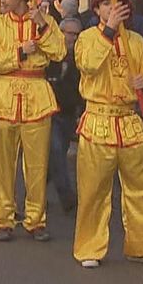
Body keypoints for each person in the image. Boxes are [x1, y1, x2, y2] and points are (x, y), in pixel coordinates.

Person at [72, 0, 143, 268]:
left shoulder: (137, 41)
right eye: (106, 4)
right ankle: (90, 248)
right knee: (94, 190)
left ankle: (141, 245)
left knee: (141, 188)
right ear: (97, 9)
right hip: (98, 119)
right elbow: (88, 65)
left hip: (130, 120)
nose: (113, 8)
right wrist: (108, 31)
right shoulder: (86, 38)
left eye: (117, 3)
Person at [0, 0, 66, 242]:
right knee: (2, 164)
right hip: (5, 96)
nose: (2, 0)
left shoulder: (46, 21)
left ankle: (35, 219)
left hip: (37, 96)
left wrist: (41, 25)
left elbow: (59, 52)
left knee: (37, 165)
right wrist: (21, 51)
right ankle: (3, 218)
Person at [46, 17, 82, 215]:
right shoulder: (50, 57)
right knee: (57, 151)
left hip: (68, 114)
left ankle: (35, 192)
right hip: (51, 113)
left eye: (77, 34)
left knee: (53, 158)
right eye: (70, 34)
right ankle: (68, 198)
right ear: (60, 33)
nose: (73, 38)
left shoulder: (81, 59)